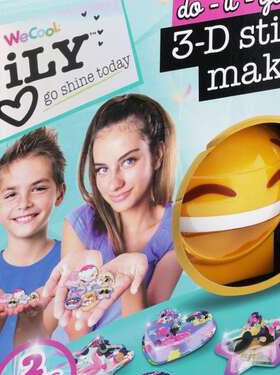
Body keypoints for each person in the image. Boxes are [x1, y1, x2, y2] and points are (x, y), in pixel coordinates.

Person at [44, 93, 182, 336]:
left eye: (128, 161)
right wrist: (85, 283)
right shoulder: (80, 224)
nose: (114, 183)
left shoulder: (174, 230)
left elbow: (143, 331)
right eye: (102, 169)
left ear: (158, 155)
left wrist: (131, 276)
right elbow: (77, 334)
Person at [0, 127, 68, 375]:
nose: (24, 203)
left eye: (38, 188)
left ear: (60, 193)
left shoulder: (72, 263)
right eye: (11, 194)